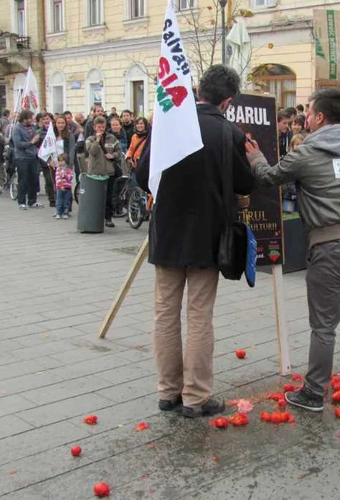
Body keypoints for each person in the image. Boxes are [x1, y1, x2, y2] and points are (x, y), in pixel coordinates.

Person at [246, 88, 340, 412]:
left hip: (331, 247)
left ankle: (314, 393)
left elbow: (269, 177)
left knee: (324, 326)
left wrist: (255, 156)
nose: (305, 118)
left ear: (317, 117)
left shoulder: (306, 152)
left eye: (308, 112)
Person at [134, 65, 254, 419]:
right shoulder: (228, 132)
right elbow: (247, 184)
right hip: (208, 236)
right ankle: (196, 397)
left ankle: (167, 391)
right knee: (199, 315)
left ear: (199, 90)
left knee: (165, 313)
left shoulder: (170, 123)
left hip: (168, 233)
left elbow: (142, 176)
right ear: (228, 101)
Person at [85, 116, 120, 228]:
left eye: (103, 127)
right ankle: (94, 218)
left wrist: (113, 155)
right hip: (95, 172)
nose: (101, 129)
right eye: (99, 127)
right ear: (95, 127)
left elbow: (119, 151)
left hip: (108, 172)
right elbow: (92, 152)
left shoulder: (112, 138)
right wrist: (97, 140)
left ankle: (108, 218)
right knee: (95, 197)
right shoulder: (90, 139)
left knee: (108, 196)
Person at [12, 109, 44, 209]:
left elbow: (36, 139)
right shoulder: (17, 128)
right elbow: (17, 144)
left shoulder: (33, 127)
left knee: (34, 178)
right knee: (23, 179)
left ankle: (32, 201)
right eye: (30, 118)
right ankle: (21, 202)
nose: (32, 120)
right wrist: (31, 142)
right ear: (24, 118)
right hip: (22, 157)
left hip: (33, 156)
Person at [54, 153, 74, 219]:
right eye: (59, 161)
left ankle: (65, 212)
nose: (60, 162)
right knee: (59, 200)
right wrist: (60, 185)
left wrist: (64, 174)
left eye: (62, 161)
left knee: (66, 201)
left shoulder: (68, 169)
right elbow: (57, 178)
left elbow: (70, 178)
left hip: (67, 187)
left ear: (66, 161)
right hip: (60, 187)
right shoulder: (58, 169)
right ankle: (58, 213)